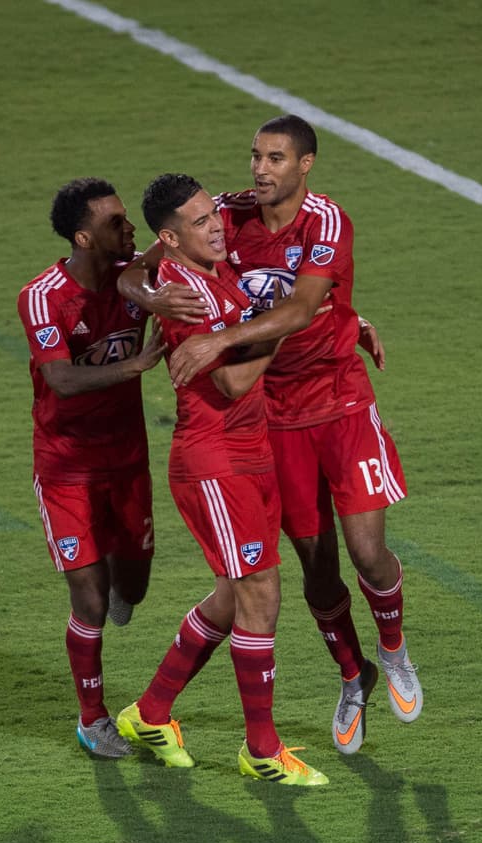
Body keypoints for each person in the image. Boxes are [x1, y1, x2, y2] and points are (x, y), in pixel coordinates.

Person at [120, 115, 421, 757]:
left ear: (304, 165)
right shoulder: (226, 214)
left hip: (339, 398)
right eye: (255, 156)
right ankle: (352, 675)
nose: (260, 169)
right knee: (314, 566)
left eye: (275, 158)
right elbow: (133, 269)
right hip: (273, 413)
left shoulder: (326, 222)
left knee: (367, 550)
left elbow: (302, 306)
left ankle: (393, 649)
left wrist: (221, 337)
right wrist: (152, 303)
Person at [115, 173, 327, 786]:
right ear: (170, 238)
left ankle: (150, 714)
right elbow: (232, 382)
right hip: (215, 461)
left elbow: (138, 275)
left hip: (251, 451)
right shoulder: (185, 295)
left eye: (215, 215)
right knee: (261, 595)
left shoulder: (212, 267)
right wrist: (294, 323)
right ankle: (261, 750)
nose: (217, 227)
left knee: (236, 599)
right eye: (202, 221)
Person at [16, 177, 167, 759]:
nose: (129, 229)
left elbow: (183, 237)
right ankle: (92, 718)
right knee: (91, 602)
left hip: (128, 460)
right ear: (83, 236)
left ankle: (120, 578)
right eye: (115, 223)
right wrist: (135, 368)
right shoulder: (44, 296)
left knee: (134, 585)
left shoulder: (135, 276)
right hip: (67, 468)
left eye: (127, 220)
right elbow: (60, 377)